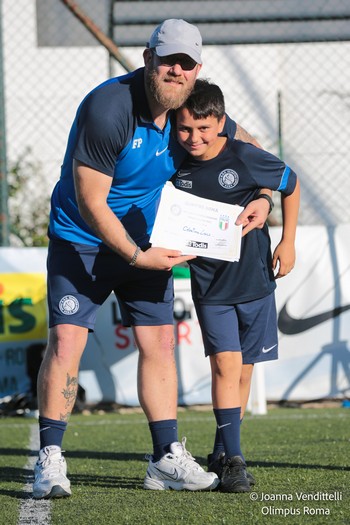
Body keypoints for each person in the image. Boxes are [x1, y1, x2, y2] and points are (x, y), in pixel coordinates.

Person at [33, 19, 272, 499]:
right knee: (66, 344)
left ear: (196, 69)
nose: (177, 71)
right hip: (82, 239)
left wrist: (264, 197)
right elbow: (90, 201)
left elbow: (255, 151)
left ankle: (165, 457)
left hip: (145, 242)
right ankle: (51, 458)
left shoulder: (195, 110)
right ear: (148, 60)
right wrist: (138, 257)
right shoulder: (109, 108)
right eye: (168, 61)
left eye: (186, 63)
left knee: (160, 344)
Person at [172, 79, 300, 492]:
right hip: (211, 288)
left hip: (256, 282)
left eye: (204, 128)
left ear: (222, 123)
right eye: (185, 128)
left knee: (243, 372)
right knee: (225, 366)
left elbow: (291, 182)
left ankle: (223, 450)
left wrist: (288, 240)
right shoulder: (171, 164)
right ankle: (235, 463)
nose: (194, 137)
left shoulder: (244, 157)